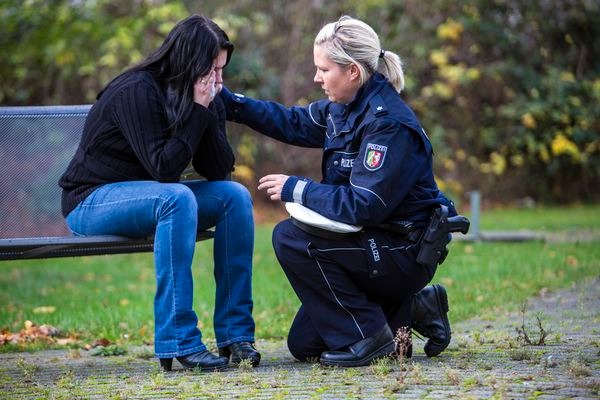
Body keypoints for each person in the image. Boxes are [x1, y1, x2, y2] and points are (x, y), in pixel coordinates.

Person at [219, 15, 455, 367]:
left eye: (324, 69)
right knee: (304, 343)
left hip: (401, 250)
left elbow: (363, 206)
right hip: (372, 244)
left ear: (353, 73)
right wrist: (228, 102)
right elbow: (290, 121)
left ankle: (371, 338)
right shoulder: (342, 109)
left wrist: (295, 188)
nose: (317, 78)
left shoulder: (387, 124)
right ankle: (416, 306)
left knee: (291, 238)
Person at [58, 15, 260, 372]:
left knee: (235, 197)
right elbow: (165, 171)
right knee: (176, 197)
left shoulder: (200, 93)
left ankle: (235, 335)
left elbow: (218, 169)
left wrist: (210, 108)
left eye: (222, 70)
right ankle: (179, 340)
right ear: (189, 62)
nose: (219, 80)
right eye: (213, 70)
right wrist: (198, 109)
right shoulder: (136, 90)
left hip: (150, 197)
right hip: (92, 200)